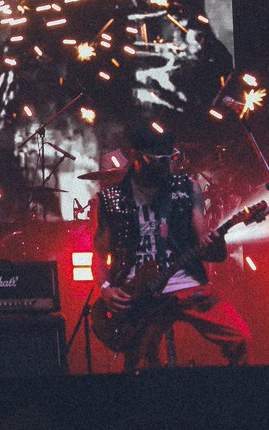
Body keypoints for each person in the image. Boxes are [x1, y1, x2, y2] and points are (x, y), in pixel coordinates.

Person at [92, 124, 250, 370]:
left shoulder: (187, 188)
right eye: (158, 159)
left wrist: (214, 240)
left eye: (170, 158)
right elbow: (100, 255)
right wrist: (105, 289)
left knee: (239, 339)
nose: (165, 165)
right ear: (135, 155)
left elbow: (205, 243)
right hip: (140, 294)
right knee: (142, 367)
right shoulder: (111, 199)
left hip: (187, 284)